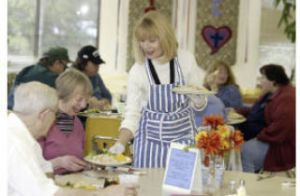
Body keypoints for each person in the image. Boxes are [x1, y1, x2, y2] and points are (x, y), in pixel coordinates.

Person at [109, 11, 206, 168]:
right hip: (149, 143)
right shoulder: (138, 70)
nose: (146, 46)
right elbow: (132, 114)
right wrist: (120, 144)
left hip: (183, 139)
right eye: (142, 41)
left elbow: (199, 105)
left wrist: (197, 98)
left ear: (165, 38)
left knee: (180, 191)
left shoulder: (186, 60)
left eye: (152, 40)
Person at [8, 81, 137, 196]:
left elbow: (45, 169)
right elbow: (49, 194)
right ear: (44, 115)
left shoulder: (21, 135)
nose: (55, 120)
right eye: (55, 114)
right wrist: (104, 193)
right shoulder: (15, 144)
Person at [241, 64, 295, 173]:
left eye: (262, 77)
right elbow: (256, 111)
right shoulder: (274, 93)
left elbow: (282, 126)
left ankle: (249, 185)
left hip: (282, 146)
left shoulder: (286, 97)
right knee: (241, 144)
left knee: (246, 150)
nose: (259, 80)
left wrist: (260, 136)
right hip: (275, 139)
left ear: (273, 80)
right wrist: (237, 111)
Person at [38, 68, 92, 174]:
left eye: (86, 100)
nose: (84, 105)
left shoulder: (77, 124)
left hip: (74, 183)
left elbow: (80, 158)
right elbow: (31, 166)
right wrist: (59, 162)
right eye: (79, 99)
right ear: (64, 94)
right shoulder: (42, 122)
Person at [72, 45, 112, 110]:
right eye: (95, 64)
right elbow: (70, 101)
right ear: (84, 63)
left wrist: (103, 102)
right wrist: (89, 102)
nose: (98, 67)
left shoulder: (96, 76)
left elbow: (108, 97)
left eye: (98, 64)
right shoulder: (71, 77)